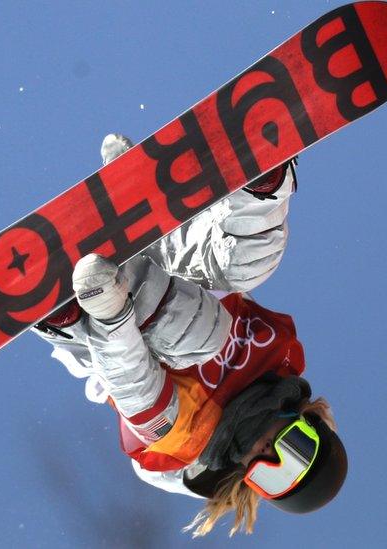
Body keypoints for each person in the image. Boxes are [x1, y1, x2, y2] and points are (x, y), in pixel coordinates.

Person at [32, 134, 347, 537]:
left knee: (173, 400)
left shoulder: (198, 442)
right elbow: (224, 282)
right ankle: (261, 181)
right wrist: (137, 189)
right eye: (296, 451)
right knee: (246, 275)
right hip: (167, 253)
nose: (270, 456)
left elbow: (141, 408)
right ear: (309, 423)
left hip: (104, 323)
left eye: (272, 479)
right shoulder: (275, 358)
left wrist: (108, 316)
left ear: (250, 482)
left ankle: (75, 306)